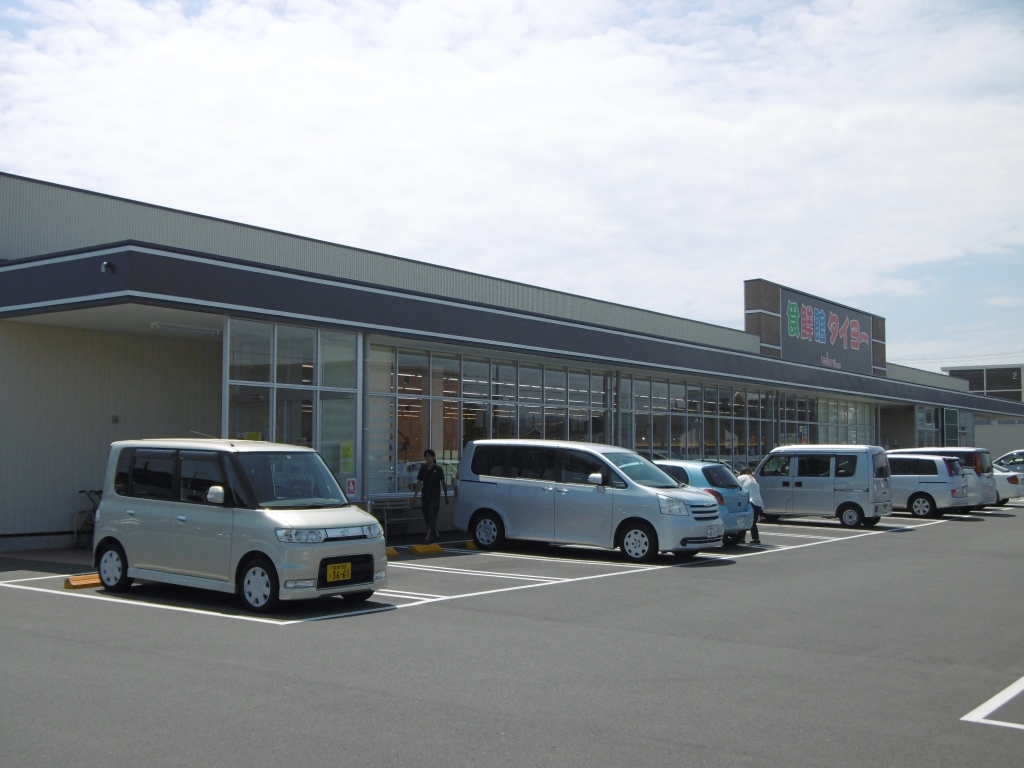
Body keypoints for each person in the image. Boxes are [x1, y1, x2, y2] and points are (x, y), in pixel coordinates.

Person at [413, 449, 449, 544]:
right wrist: (415, 496)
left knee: (431, 516)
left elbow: (443, 483)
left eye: (429, 456)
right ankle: (436, 534)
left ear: (433, 457)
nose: (427, 458)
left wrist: (446, 496)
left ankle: (427, 538)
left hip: (435, 497)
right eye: (426, 456)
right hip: (425, 497)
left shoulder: (438, 469)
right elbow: (419, 483)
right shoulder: (423, 469)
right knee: (427, 517)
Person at [737, 467, 762, 545]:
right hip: (758, 502)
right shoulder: (754, 479)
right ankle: (756, 538)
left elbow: (736, 488)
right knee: (753, 521)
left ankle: (741, 538)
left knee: (743, 519)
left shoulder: (741, 478)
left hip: (750, 501)